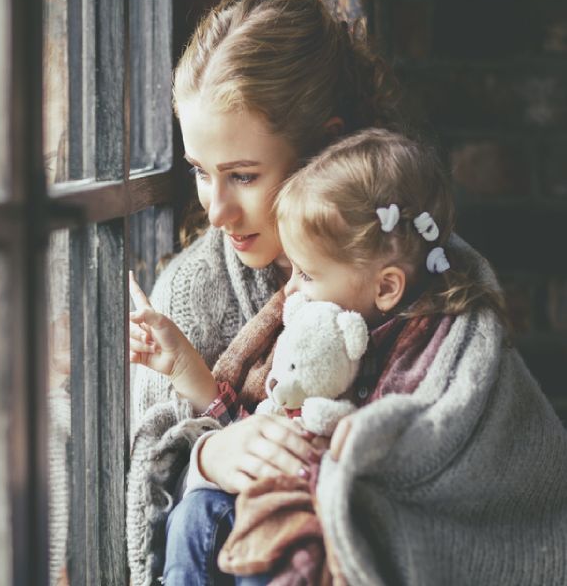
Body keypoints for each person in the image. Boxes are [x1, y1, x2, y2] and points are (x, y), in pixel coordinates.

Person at [132, 127, 512, 583]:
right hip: (283, 492)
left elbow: (419, 459)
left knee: (282, 550)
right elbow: (263, 430)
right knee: (196, 512)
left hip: (340, 521)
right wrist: (183, 370)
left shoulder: (431, 350)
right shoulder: (311, 331)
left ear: (387, 286)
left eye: (306, 274)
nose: (289, 289)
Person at [126, 0, 403, 584]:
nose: (217, 210)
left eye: (244, 176)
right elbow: (138, 477)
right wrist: (206, 457)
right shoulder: (186, 292)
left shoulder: (413, 266)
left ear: (322, 147)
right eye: (200, 172)